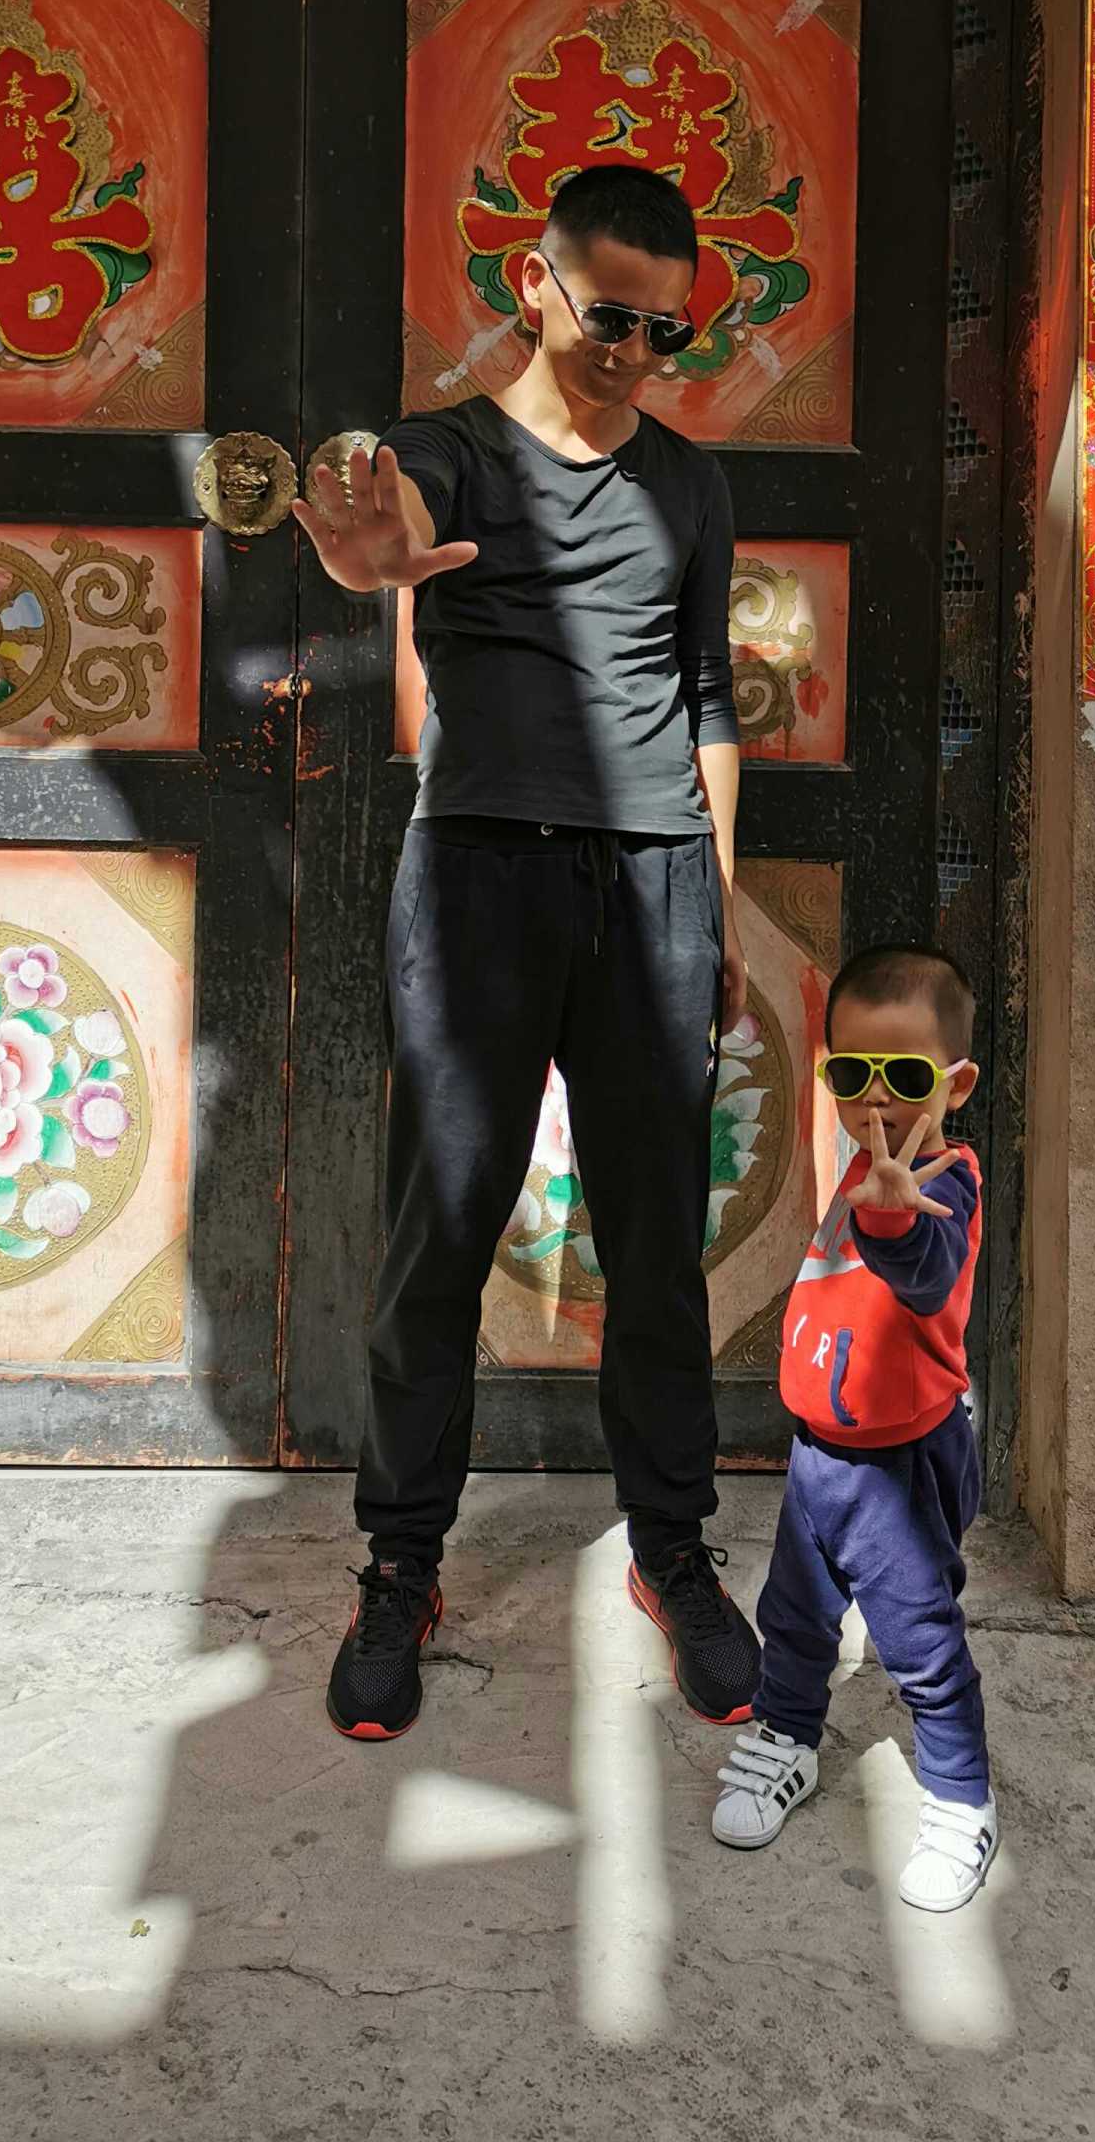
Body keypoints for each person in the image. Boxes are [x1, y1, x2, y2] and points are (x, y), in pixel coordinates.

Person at [292, 162, 762, 1744]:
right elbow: (382, 528)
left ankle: (674, 1550)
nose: (636, 352)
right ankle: (400, 1567)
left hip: (655, 884)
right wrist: (366, 544)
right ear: (534, 285)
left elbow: (705, 698)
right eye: (612, 315)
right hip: (478, 880)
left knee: (657, 1246)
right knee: (438, 1238)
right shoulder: (452, 453)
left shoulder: (690, 486)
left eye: (667, 331)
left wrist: (720, 900)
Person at [709, 945, 998, 1913]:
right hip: (819, 1459)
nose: (876, 1098)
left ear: (955, 1086)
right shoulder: (862, 1170)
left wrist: (894, 1220)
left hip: (899, 1468)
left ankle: (960, 1798)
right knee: (794, 1618)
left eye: (905, 1077)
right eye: (853, 1074)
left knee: (920, 1643)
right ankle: (789, 1737)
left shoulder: (942, 1181)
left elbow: (929, 1271)